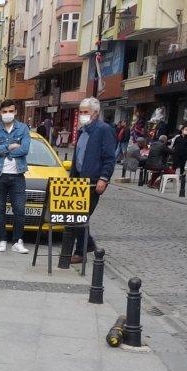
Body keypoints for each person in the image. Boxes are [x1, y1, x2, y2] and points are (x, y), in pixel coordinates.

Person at [67, 97, 117, 264]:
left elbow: (110, 157)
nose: (82, 115)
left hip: (93, 182)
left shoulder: (104, 130)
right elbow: (77, 157)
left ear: (95, 113)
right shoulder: (83, 131)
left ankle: (80, 252)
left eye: (85, 112)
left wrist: (104, 178)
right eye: (80, 112)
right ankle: (88, 244)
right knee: (76, 215)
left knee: (81, 215)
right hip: (78, 181)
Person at [0, 99, 31, 254]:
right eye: (5, 111)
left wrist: (2, 148)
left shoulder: (23, 128)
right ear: (0, 113)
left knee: (19, 209)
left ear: (15, 112)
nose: (8, 114)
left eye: (10, 111)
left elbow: (25, 149)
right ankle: (1, 240)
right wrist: (11, 146)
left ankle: (17, 241)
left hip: (17, 175)